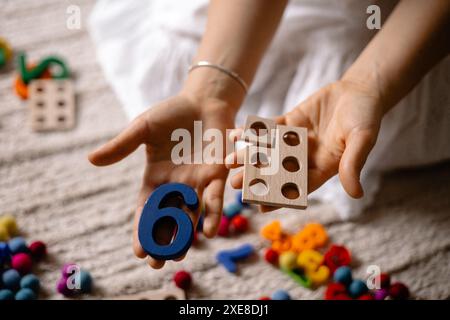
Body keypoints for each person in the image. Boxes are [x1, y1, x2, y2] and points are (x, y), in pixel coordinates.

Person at [88, 0, 450, 269]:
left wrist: (366, 86)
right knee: (184, 35)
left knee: (383, 122)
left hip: (405, 34)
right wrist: (211, 91)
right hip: (246, 17)